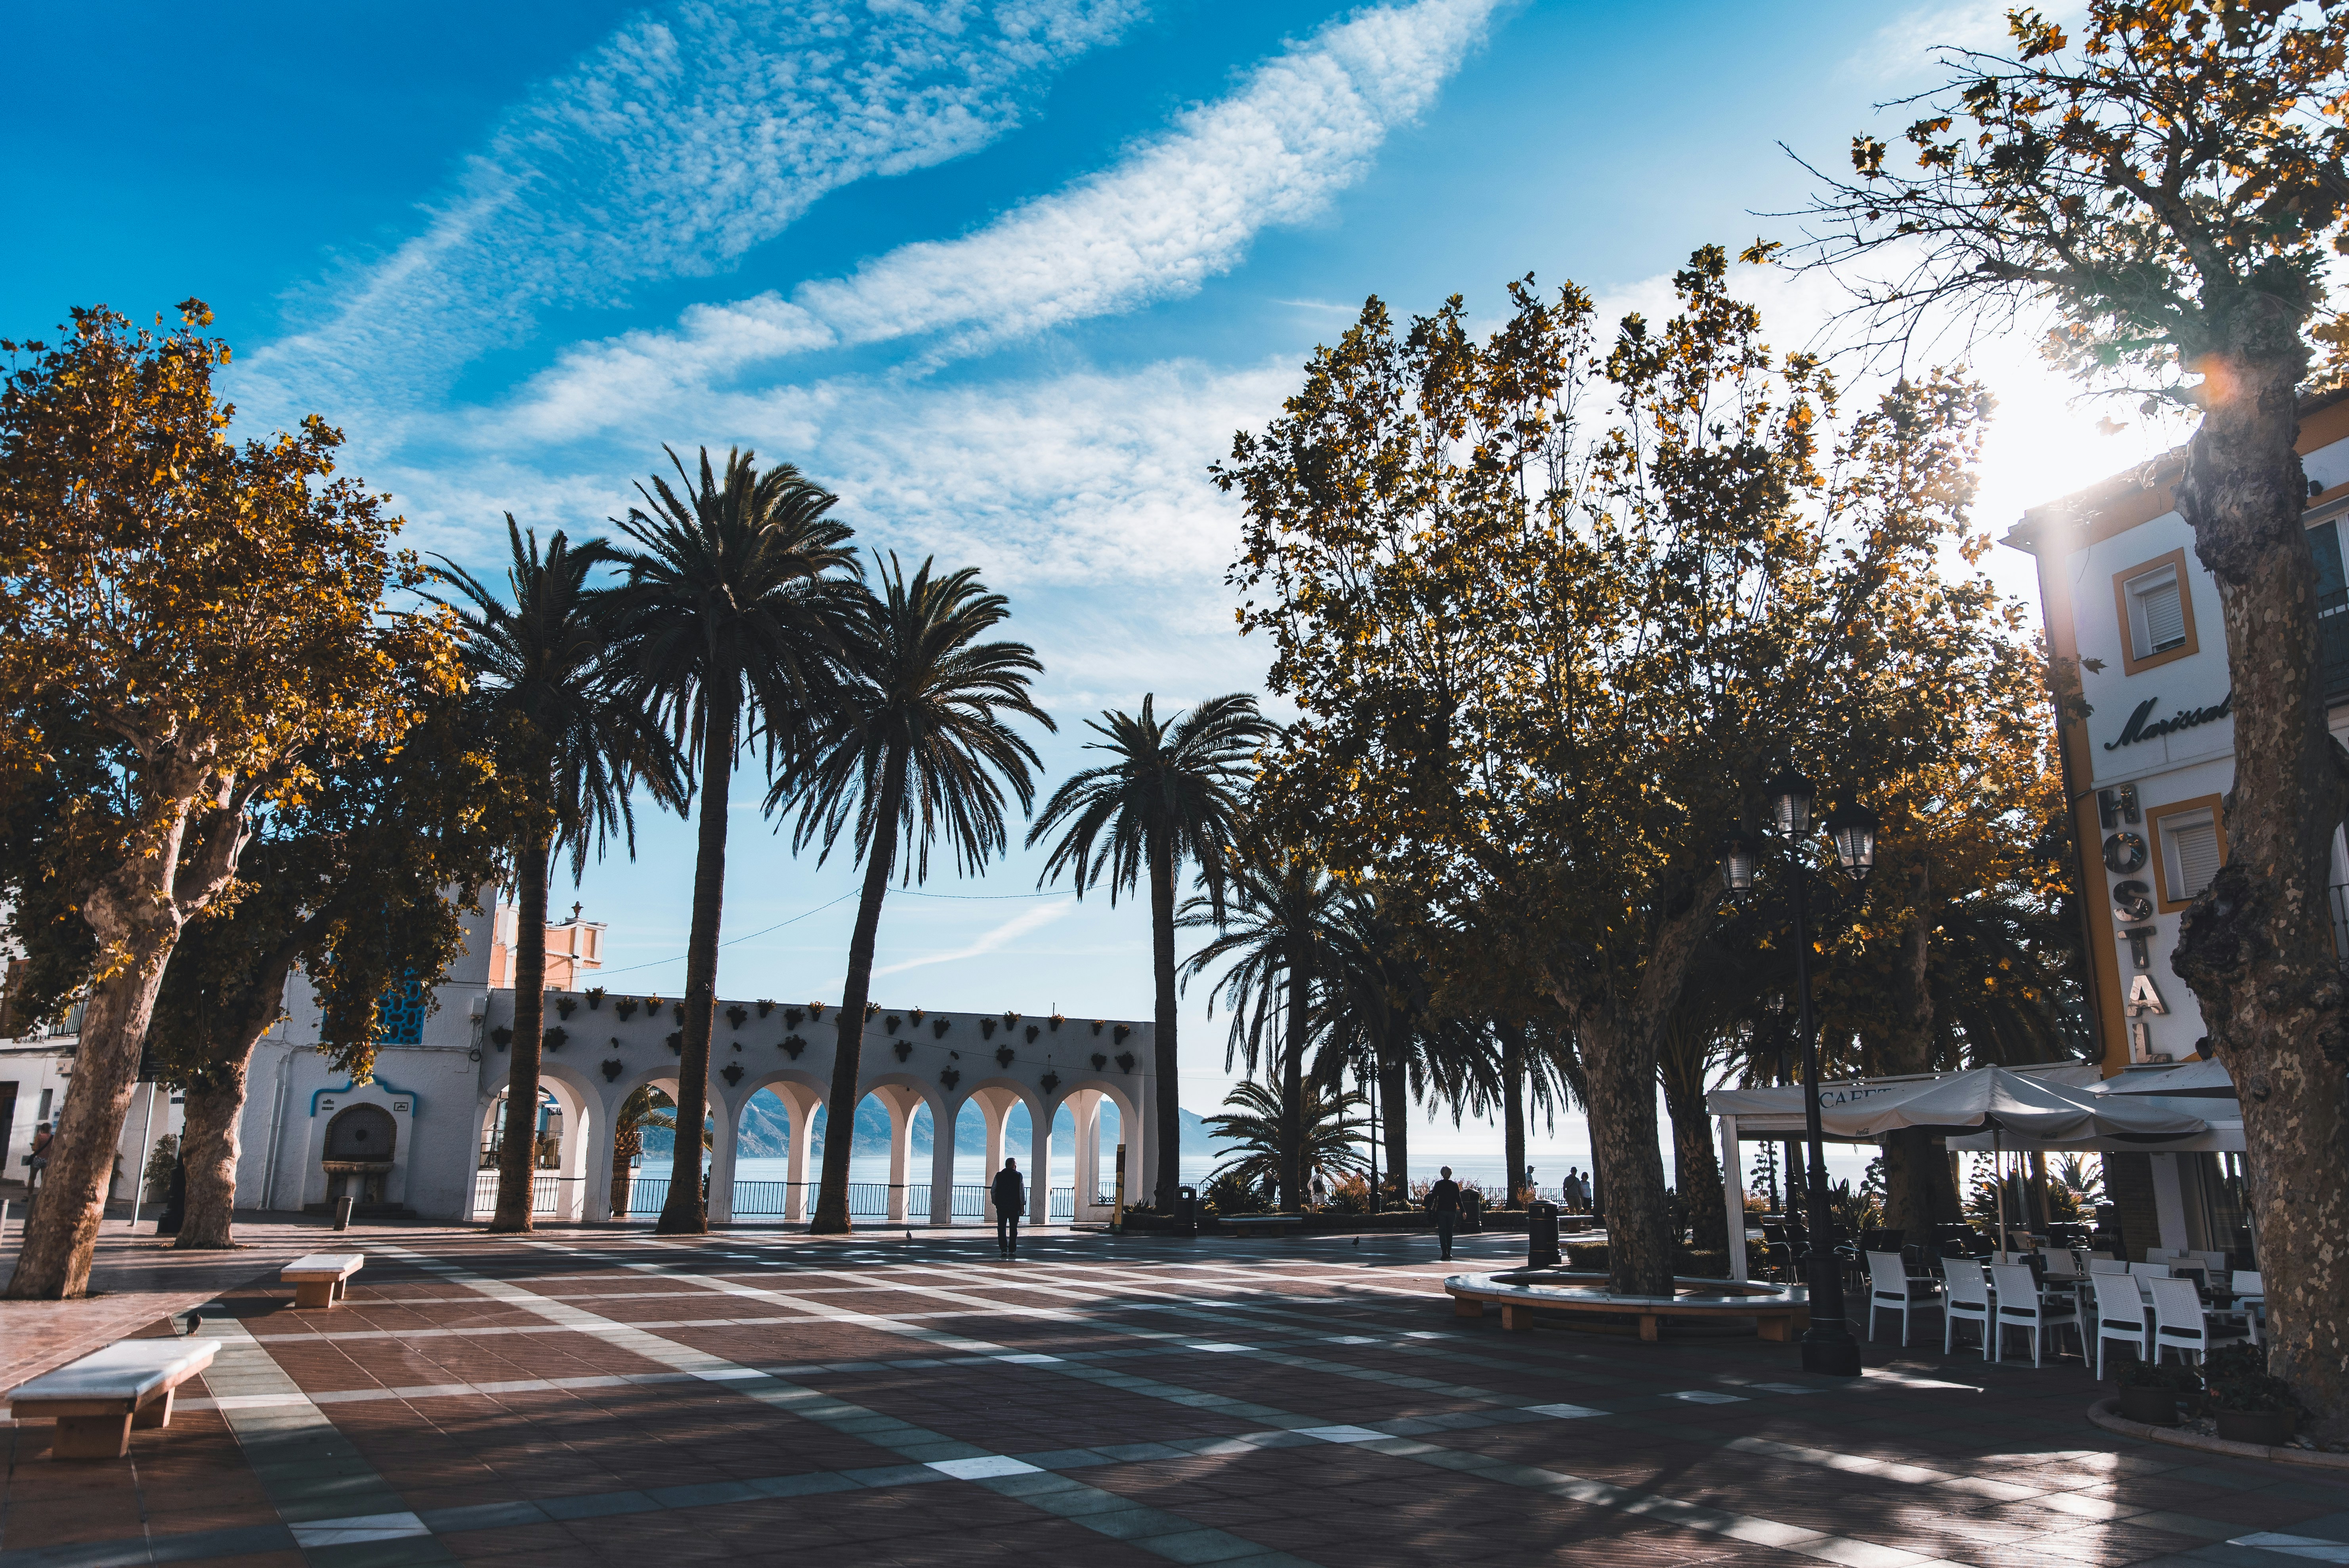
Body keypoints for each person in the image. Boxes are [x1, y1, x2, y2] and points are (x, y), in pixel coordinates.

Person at [991, 1157, 1025, 1258]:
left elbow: (993, 1190)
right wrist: (1022, 1206)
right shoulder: (1019, 1176)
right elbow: (1021, 1192)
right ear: (1014, 1166)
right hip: (1014, 1207)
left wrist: (995, 1202)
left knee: (1001, 1228)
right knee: (1013, 1228)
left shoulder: (999, 1175)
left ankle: (1003, 1249)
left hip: (1001, 1206)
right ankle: (1012, 1249)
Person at [1429, 1165, 1461, 1262]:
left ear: (1442, 1173)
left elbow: (1433, 1196)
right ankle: (1449, 1252)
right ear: (1451, 1174)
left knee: (1442, 1232)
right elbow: (1458, 1199)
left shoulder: (1438, 1184)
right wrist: (1464, 1211)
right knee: (1449, 1232)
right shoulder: (1454, 1185)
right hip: (1452, 1211)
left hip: (1441, 1211)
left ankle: (1444, 1252)